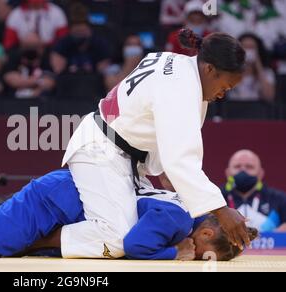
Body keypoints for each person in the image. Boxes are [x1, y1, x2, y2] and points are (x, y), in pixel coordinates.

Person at [60, 28, 250, 259]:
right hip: (101, 151)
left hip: (122, 153)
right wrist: (221, 211)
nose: (223, 94)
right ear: (209, 69)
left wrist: (165, 170)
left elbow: (154, 121)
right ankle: (39, 241)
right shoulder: (182, 88)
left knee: (144, 231)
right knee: (117, 239)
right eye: (225, 87)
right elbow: (180, 161)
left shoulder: (176, 64)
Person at [0, 168, 257, 260]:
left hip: (66, 199)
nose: (201, 261)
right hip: (56, 199)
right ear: (205, 237)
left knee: (10, 252)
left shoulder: (180, 210)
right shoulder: (176, 223)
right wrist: (175, 256)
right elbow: (133, 244)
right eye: (208, 259)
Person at [222, 149, 286, 233]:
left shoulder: (278, 198)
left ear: (260, 173)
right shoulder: (216, 199)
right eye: (237, 166)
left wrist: (277, 236)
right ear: (228, 173)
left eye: (249, 167)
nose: (243, 171)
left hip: (271, 245)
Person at [227, 33, 276, 102]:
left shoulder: (267, 72)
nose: (248, 51)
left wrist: (258, 65)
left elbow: (268, 96)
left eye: (251, 47)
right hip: (234, 110)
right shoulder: (229, 72)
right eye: (245, 47)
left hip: (257, 111)